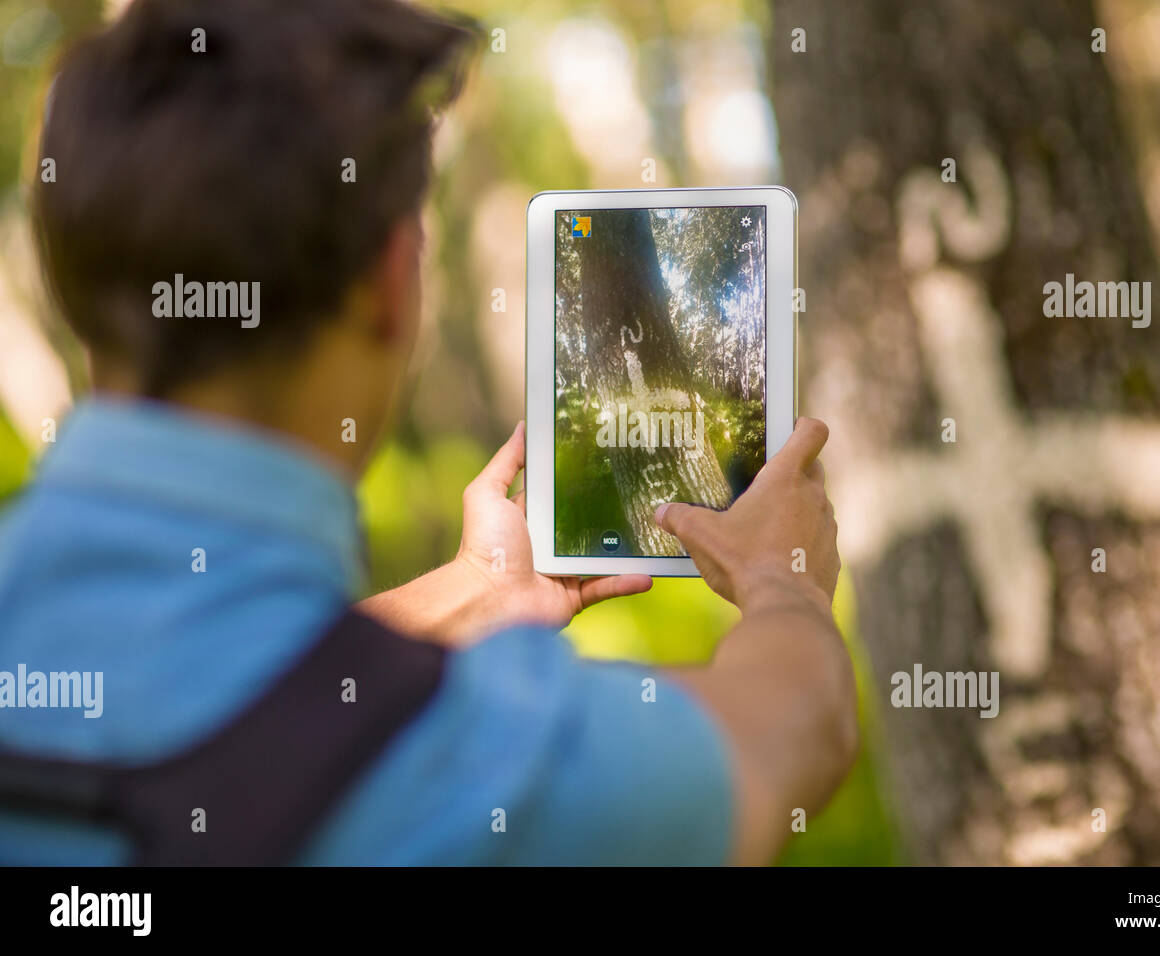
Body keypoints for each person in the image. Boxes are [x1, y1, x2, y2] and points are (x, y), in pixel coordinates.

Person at [0, 0, 856, 865]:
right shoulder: (471, 759)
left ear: (69, 277)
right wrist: (782, 583)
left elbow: (229, 689)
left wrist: (481, 589)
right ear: (391, 283)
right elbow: (786, 741)